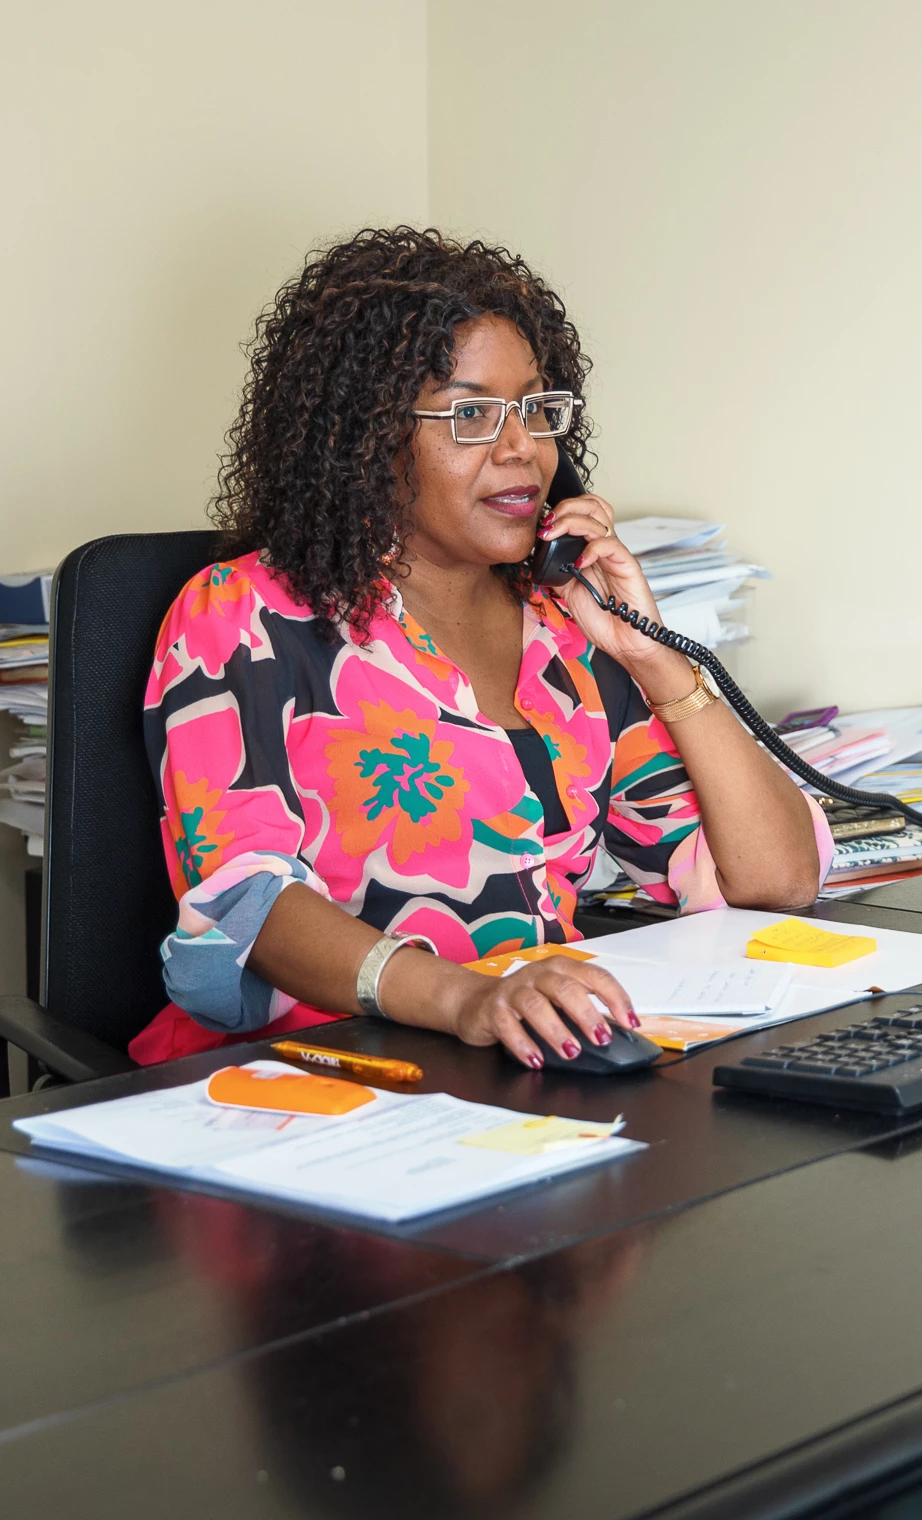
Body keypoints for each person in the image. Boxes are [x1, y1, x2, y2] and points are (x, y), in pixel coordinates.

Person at [129, 227, 830, 1068]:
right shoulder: (243, 613)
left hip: (525, 1063)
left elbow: (775, 880)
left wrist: (653, 657)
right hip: (307, 1083)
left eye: (536, 409)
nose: (520, 449)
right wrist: (467, 997)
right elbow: (248, 901)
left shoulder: (564, 625)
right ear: (366, 436)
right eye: (471, 414)